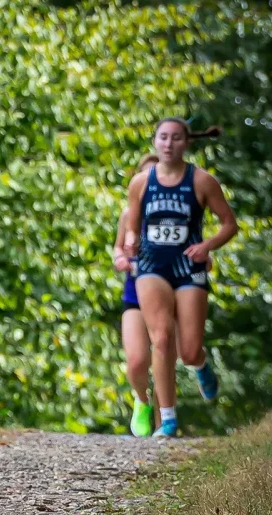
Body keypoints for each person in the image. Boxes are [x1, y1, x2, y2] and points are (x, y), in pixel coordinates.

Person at [124, 118, 238, 437]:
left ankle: (200, 364)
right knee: (160, 338)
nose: (169, 144)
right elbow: (133, 225)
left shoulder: (202, 181)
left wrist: (207, 246)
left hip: (189, 267)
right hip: (152, 268)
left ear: (186, 143)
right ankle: (169, 418)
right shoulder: (141, 183)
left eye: (176, 138)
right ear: (155, 142)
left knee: (187, 350)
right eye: (163, 137)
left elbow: (229, 224)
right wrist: (131, 240)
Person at [113, 153, 159, 437]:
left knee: (165, 356)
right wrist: (120, 258)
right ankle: (142, 400)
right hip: (135, 291)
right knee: (137, 360)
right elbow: (118, 247)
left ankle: (166, 419)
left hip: (171, 291)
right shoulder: (129, 215)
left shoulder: (180, 211)